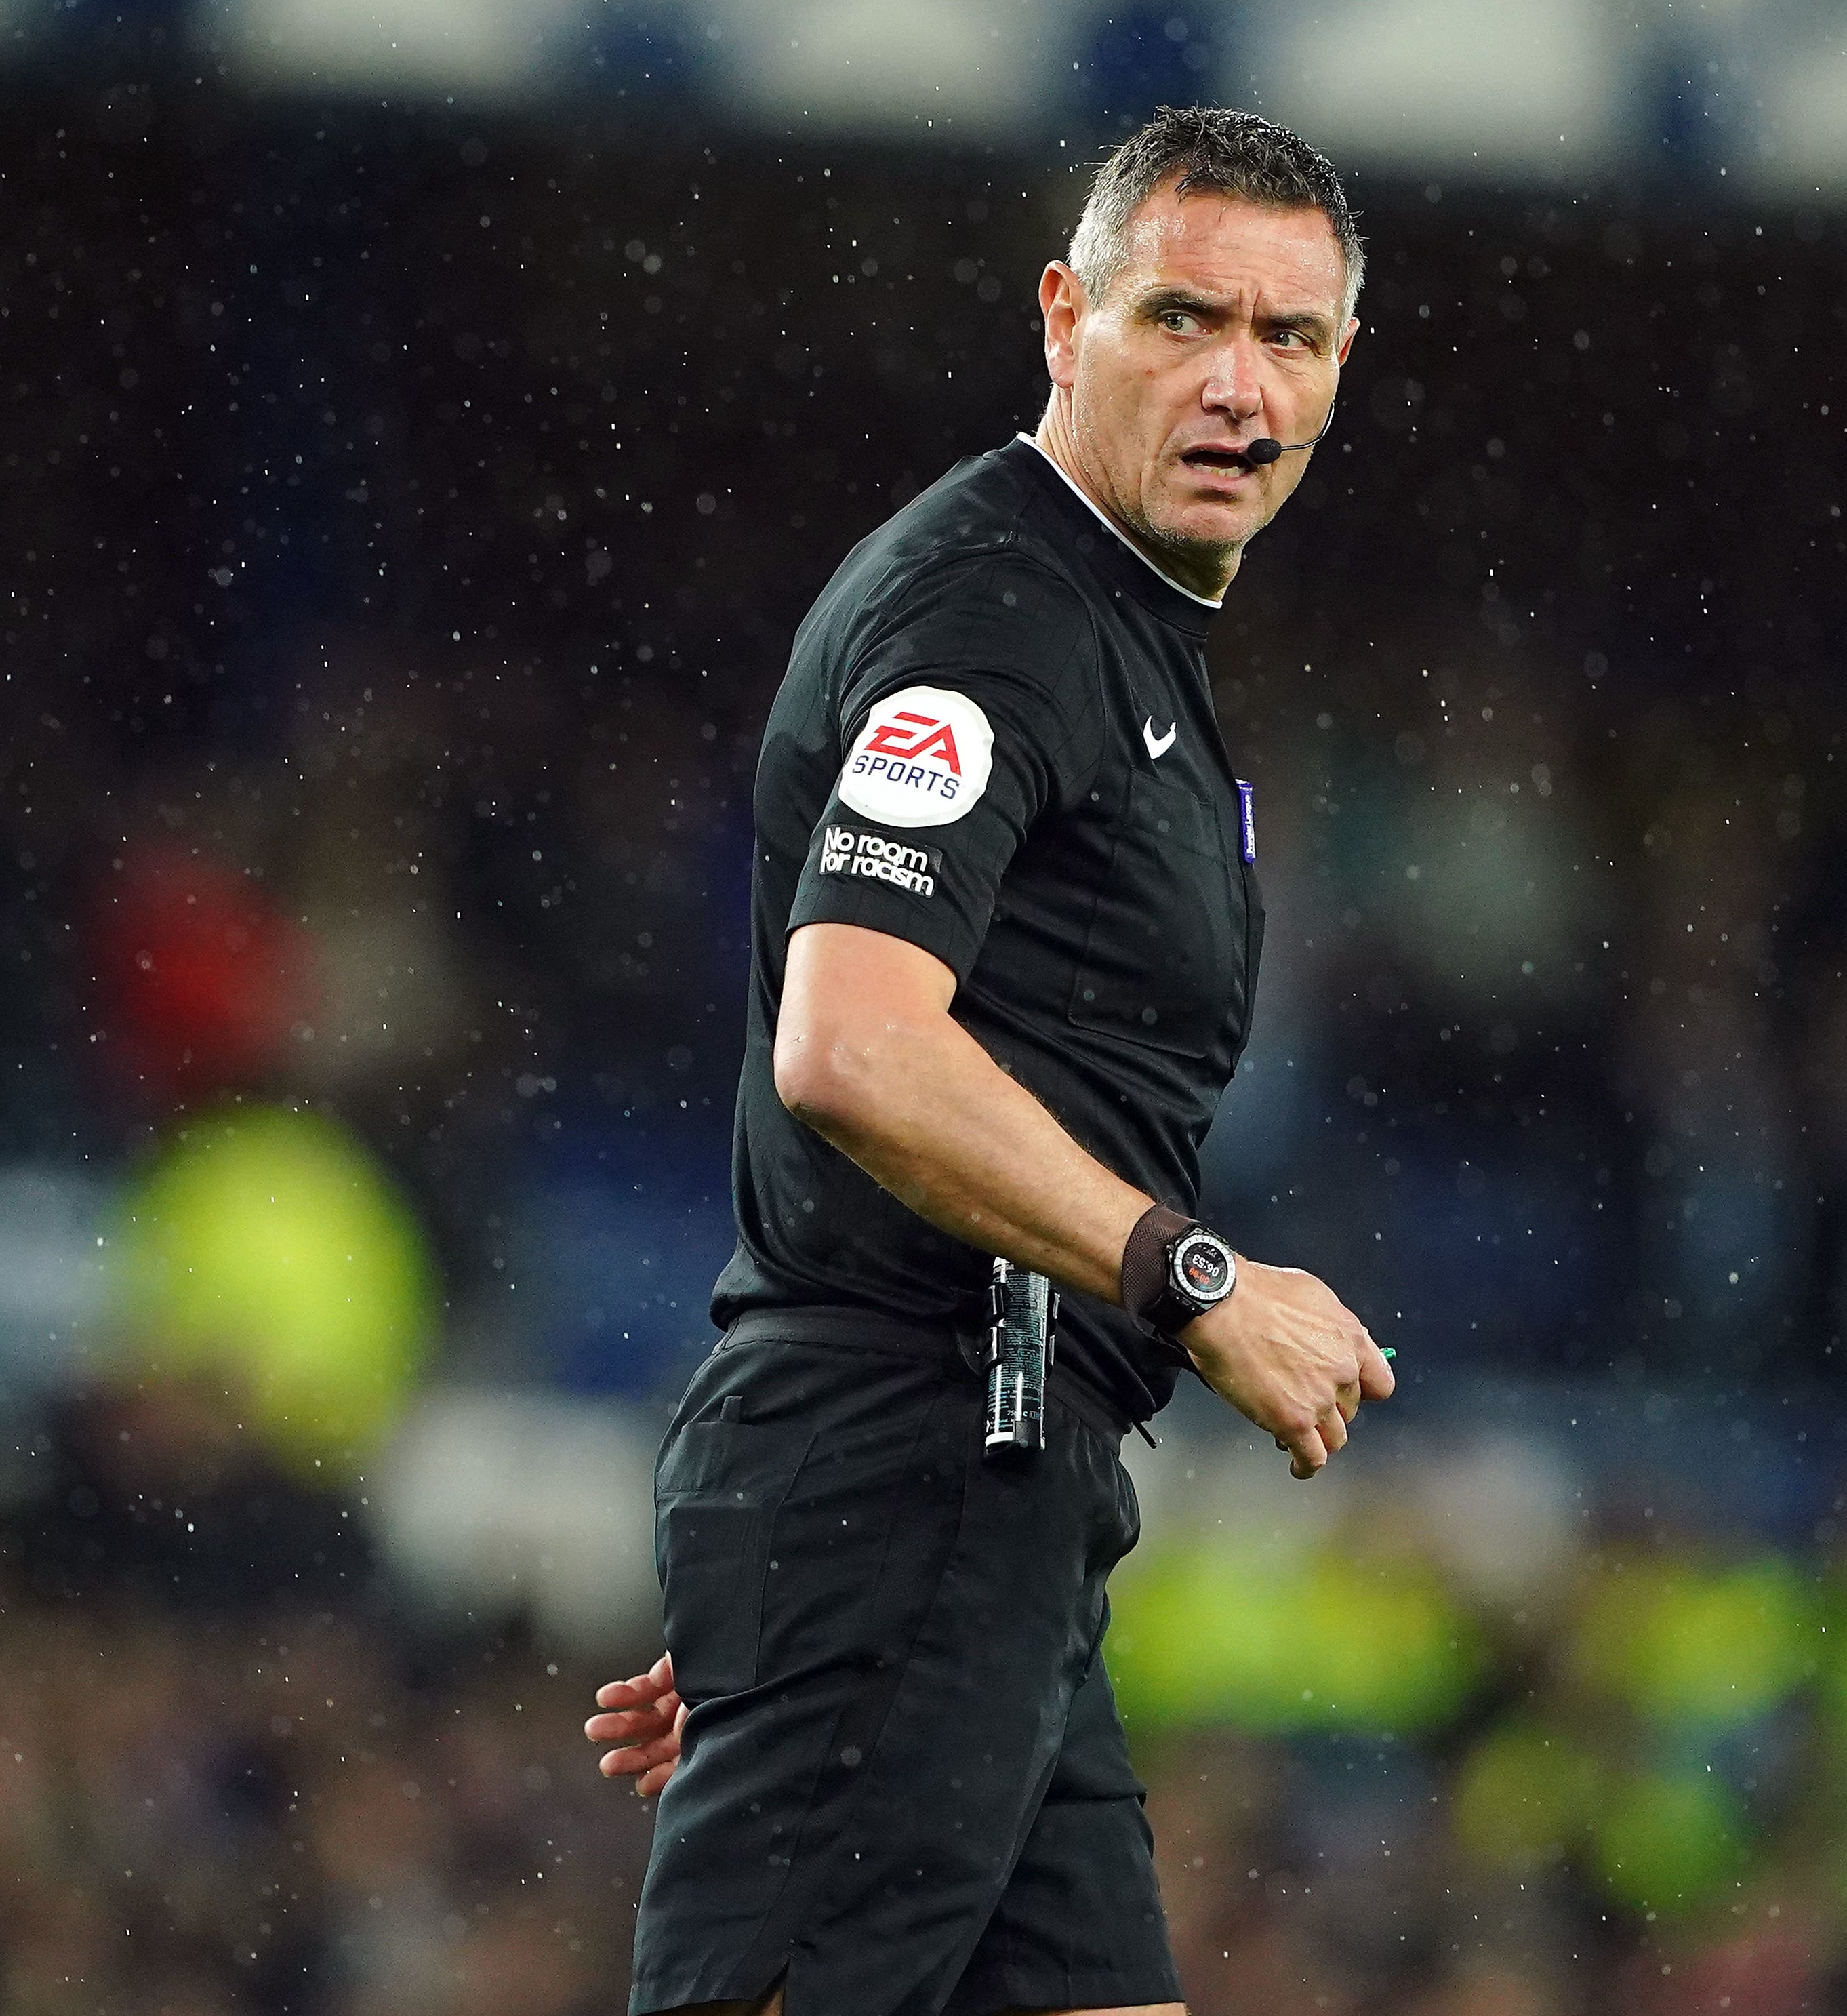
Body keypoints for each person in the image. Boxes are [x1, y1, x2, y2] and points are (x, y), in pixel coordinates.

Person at [580, 107, 1396, 2016]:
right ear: (1061, 317)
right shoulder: (995, 616)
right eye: (1181, 317)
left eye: (1289, 339)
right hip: (919, 1453)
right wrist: (1194, 1283)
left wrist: (818, 1595)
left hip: (967, 1506)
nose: (1235, 382)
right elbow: (850, 1044)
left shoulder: (1125, 633)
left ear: (1343, 367)